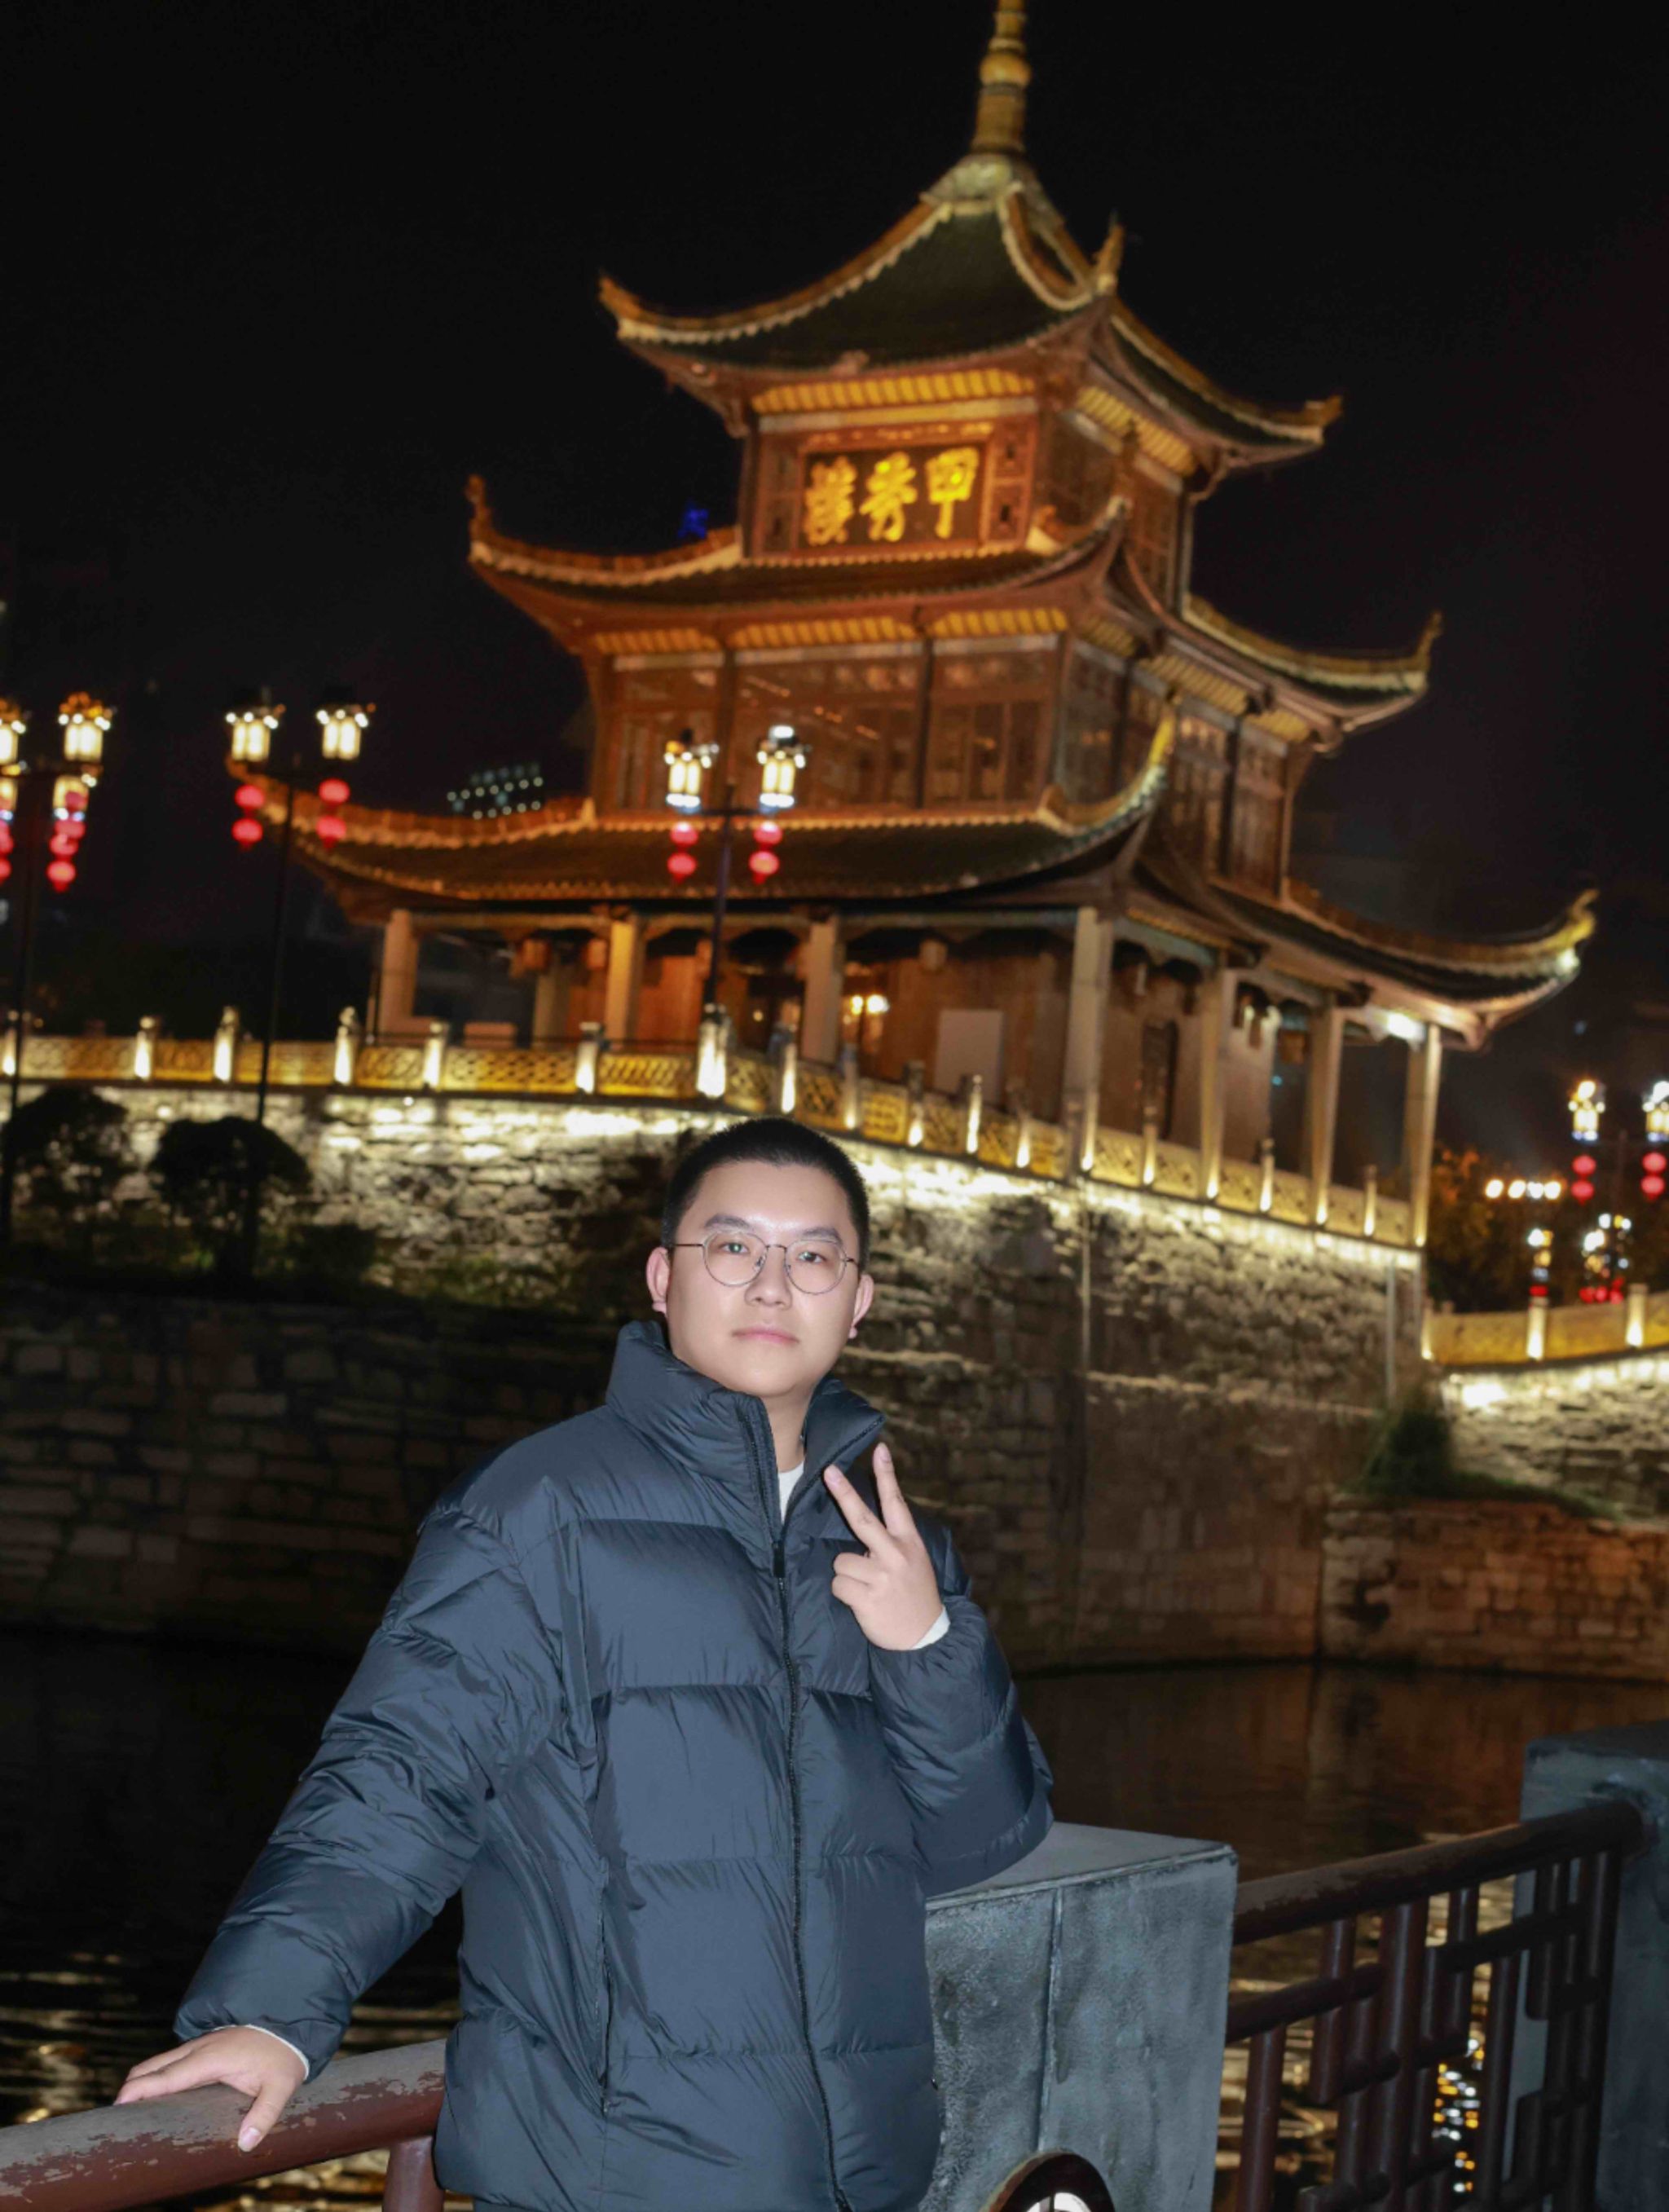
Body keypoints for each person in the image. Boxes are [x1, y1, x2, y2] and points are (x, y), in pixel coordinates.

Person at [116, 1115, 1055, 2212]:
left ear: (858, 1299)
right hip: (614, 2173)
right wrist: (269, 2010)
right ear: (663, 1277)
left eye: (813, 1255)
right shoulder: (539, 1508)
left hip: (864, 2176)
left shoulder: (892, 1541)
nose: (771, 1284)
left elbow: (981, 1838)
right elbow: (404, 1773)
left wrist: (927, 1645)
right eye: (733, 1246)